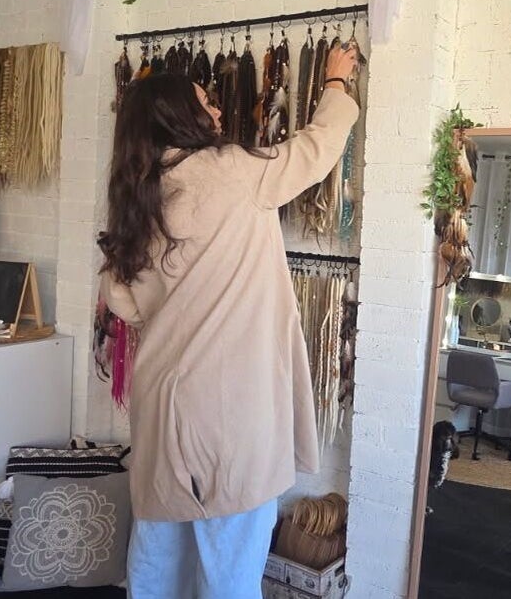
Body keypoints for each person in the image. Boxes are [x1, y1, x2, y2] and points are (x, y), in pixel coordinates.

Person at [98, 42, 360, 598]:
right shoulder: (235, 172)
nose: (217, 112)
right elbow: (315, 150)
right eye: (204, 103)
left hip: (163, 409)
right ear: (179, 117)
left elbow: (122, 301)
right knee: (231, 571)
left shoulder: (138, 198)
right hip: (229, 412)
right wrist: (334, 83)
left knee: (156, 564)